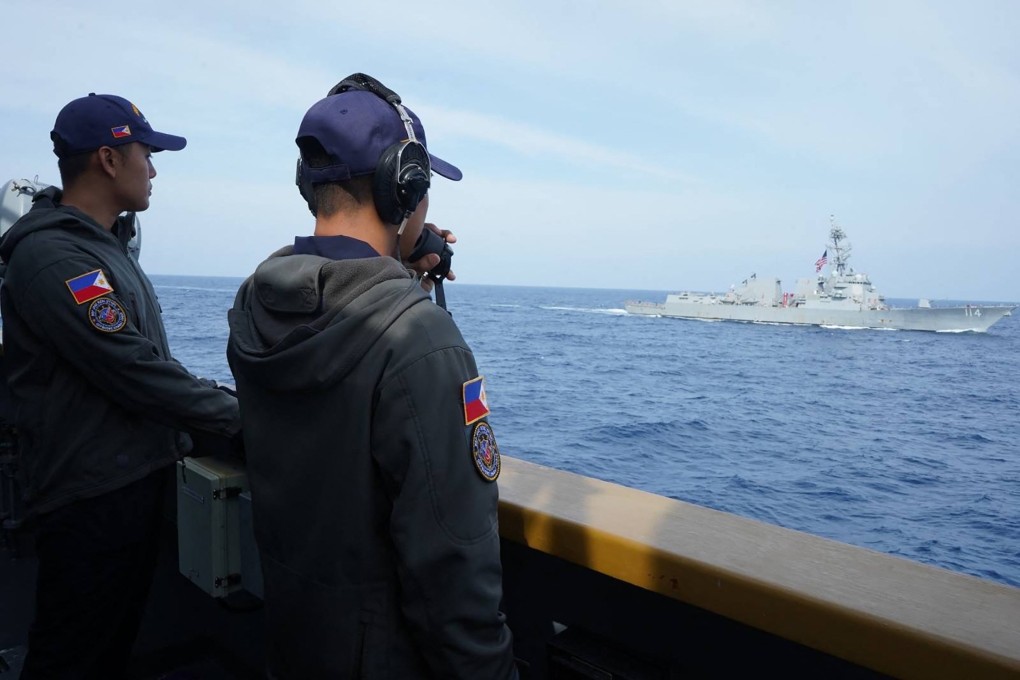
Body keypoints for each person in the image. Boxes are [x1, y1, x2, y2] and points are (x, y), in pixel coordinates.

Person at [226, 73, 518, 679]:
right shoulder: (419, 341)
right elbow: (454, 567)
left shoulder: (255, 303)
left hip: (296, 640)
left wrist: (400, 272)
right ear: (403, 184)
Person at [0, 93, 242, 678]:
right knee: (73, 655)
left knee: (106, 646)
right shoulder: (56, 258)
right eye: (146, 155)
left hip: (122, 481)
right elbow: (134, 370)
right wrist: (243, 417)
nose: (153, 170)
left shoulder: (100, 248)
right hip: (90, 497)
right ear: (108, 160)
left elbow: (146, 361)